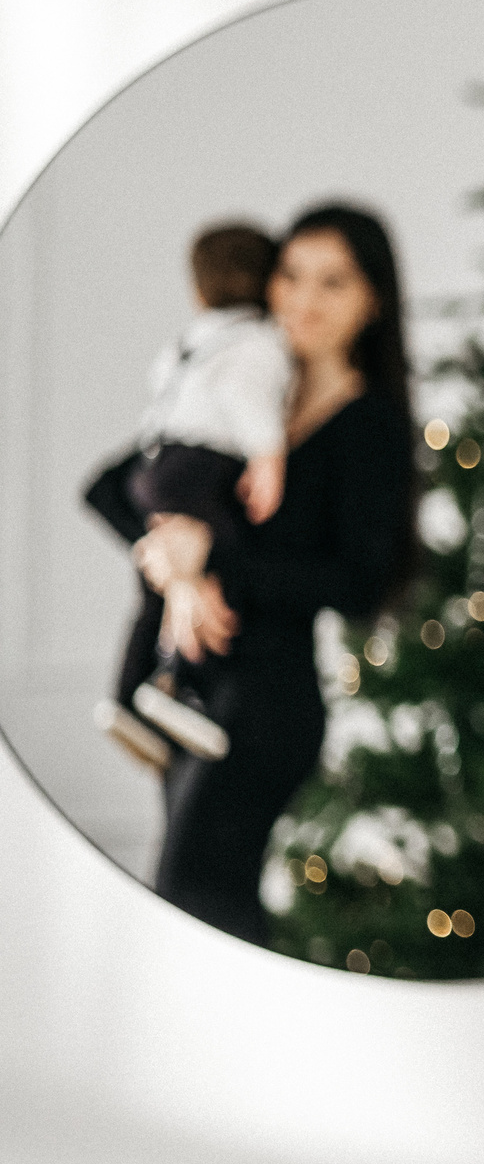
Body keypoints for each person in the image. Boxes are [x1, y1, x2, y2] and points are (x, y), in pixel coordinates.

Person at [94, 206, 416, 946]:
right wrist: (179, 574)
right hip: (193, 689)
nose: (303, 299)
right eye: (291, 275)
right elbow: (114, 485)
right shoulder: (246, 383)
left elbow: (360, 583)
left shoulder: (369, 423)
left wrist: (213, 560)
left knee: (198, 906)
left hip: (267, 704)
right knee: (194, 909)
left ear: (374, 300)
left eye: (332, 282)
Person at [89, 222, 293, 771]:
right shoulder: (259, 342)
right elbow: (249, 398)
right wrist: (269, 459)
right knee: (216, 554)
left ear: (199, 290)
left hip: (154, 466)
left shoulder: (192, 339)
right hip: (198, 468)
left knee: (157, 589)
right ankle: (182, 690)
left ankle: (128, 698)